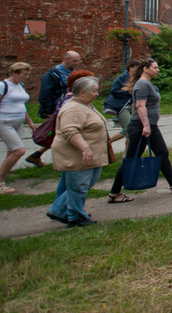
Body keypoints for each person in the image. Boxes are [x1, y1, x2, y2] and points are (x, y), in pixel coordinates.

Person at [107, 58, 172, 203]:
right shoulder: (142, 84)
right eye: (155, 67)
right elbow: (140, 106)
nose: (158, 70)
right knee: (131, 159)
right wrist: (145, 125)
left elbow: (136, 105)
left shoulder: (145, 84)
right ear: (145, 68)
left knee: (162, 153)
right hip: (142, 127)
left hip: (150, 126)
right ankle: (114, 193)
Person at [47, 76, 124, 227]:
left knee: (84, 184)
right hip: (78, 155)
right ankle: (74, 217)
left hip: (89, 156)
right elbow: (70, 131)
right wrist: (84, 148)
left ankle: (60, 210)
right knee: (79, 186)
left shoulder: (85, 105)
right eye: (94, 91)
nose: (97, 94)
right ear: (82, 92)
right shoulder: (74, 108)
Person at [29, 50, 81, 167]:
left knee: (59, 135)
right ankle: (62, 162)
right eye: (74, 61)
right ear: (65, 59)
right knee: (60, 135)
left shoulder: (72, 73)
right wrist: (49, 112)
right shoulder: (52, 75)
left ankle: (36, 156)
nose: (76, 63)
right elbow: (45, 95)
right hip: (55, 109)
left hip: (67, 107)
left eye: (78, 60)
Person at [0, 63, 38, 194]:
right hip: (4, 122)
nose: (27, 77)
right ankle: (0, 182)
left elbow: (22, 105)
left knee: (11, 152)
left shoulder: (20, 86)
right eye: (24, 74)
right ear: (14, 73)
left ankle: (4, 176)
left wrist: (30, 122)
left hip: (19, 122)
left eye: (28, 74)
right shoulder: (3, 86)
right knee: (19, 150)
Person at [102, 60, 141, 136]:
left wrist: (129, 89)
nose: (139, 70)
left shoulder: (138, 79)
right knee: (129, 130)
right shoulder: (121, 78)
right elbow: (114, 91)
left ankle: (109, 143)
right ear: (130, 68)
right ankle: (109, 143)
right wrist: (128, 91)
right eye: (137, 68)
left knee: (130, 130)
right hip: (122, 106)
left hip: (133, 106)